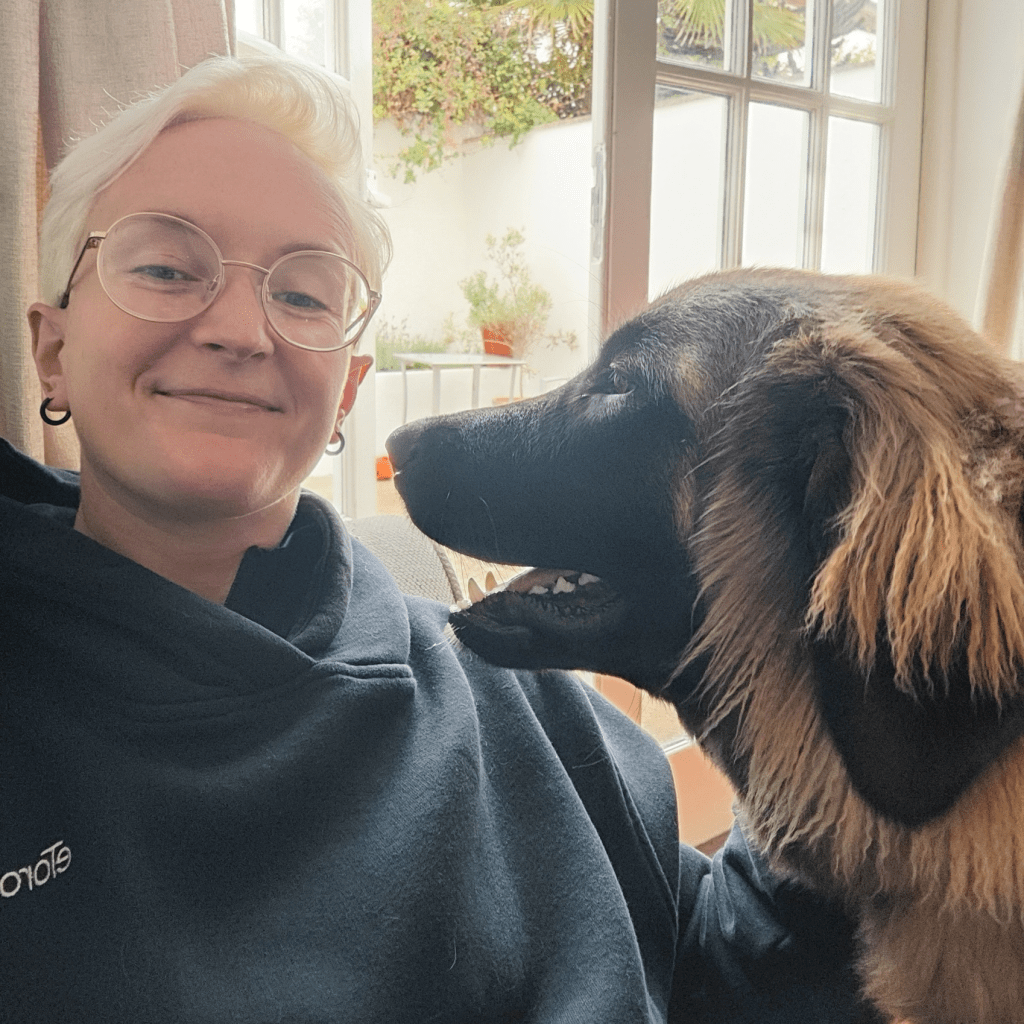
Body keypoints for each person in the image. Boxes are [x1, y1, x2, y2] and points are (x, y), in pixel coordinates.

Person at [1, 53, 871, 1023]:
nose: (240, 328)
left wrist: (806, 700)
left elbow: (738, 962)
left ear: (346, 390)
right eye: (166, 268)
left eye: (303, 293)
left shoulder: (512, 690)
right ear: (53, 347)